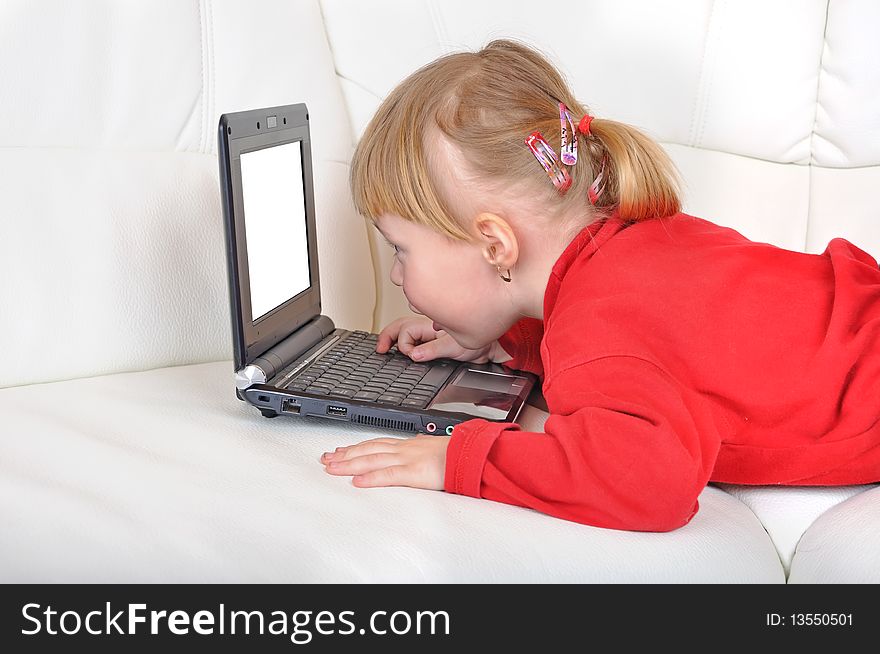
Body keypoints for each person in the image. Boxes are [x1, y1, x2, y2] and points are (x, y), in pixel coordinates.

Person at [320, 39, 880, 532]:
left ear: (495, 245)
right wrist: (502, 342)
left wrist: (455, 461)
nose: (396, 274)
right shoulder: (628, 244)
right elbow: (653, 351)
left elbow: (647, 486)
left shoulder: (598, 331)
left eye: (401, 249)